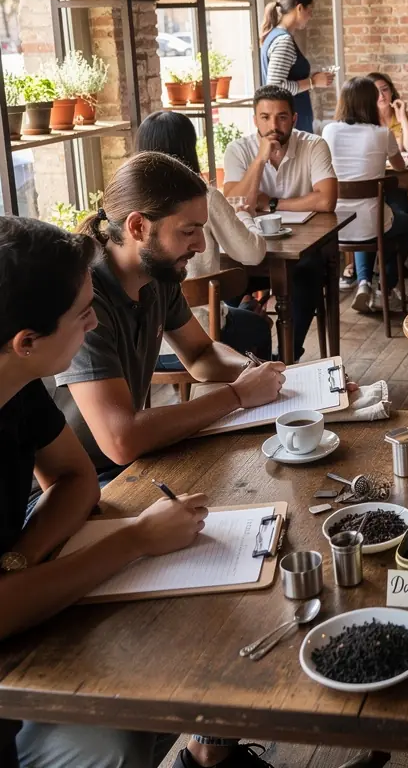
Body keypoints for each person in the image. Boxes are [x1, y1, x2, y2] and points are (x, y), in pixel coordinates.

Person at [0, 216, 254, 768]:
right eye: (82, 313)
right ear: (26, 342)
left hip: (32, 590)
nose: (95, 323)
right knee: (124, 734)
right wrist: (134, 540)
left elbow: (75, 478)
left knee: (201, 624)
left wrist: (21, 557)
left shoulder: (16, 386)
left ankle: (209, 755)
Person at [52, 152, 286, 481]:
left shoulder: (158, 277)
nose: (202, 245)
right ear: (138, 227)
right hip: (79, 483)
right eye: (189, 231)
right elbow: (122, 439)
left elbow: (200, 354)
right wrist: (237, 395)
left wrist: (255, 374)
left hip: (128, 464)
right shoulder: (83, 297)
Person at [135, 111, 272, 368]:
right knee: (259, 326)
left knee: (237, 309)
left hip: (143, 349)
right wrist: (244, 215)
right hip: (200, 340)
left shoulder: (130, 205)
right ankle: (269, 396)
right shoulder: (203, 198)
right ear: (189, 149)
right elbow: (253, 254)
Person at [223, 86, 338, 360]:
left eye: (281, 117)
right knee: (227, 276)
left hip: (303, 247)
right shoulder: (238, 149)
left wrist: (272, 203)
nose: (273, 125)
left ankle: (288, 356)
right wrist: (260, 159)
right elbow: (236, 204)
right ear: (254, 120)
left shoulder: (314, 145)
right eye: (264, 117)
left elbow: (326, 201)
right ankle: (242, 357)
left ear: (294, 119)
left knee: (308, 272)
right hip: (253, 248)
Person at [323, 77, 408, 313]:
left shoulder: (329, 130)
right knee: (404, 224)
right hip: (370, 223)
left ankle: (363, 282)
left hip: (334, 225)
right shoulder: (381, 133)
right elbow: (399, 167)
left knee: (367, 218)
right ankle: (386, 285)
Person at [259, 0, 335, 134]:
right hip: (290, 128)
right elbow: (276, 87)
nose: (311, 15)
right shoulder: (284, 41)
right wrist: (313, 82)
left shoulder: (277, 36)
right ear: (300, 8)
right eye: (310, 10)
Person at [369, 71, 408, 153]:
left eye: (385, 89)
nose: (381, 95)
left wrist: (403, 119)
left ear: (391, 91)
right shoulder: (365, 119)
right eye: (375, 92)